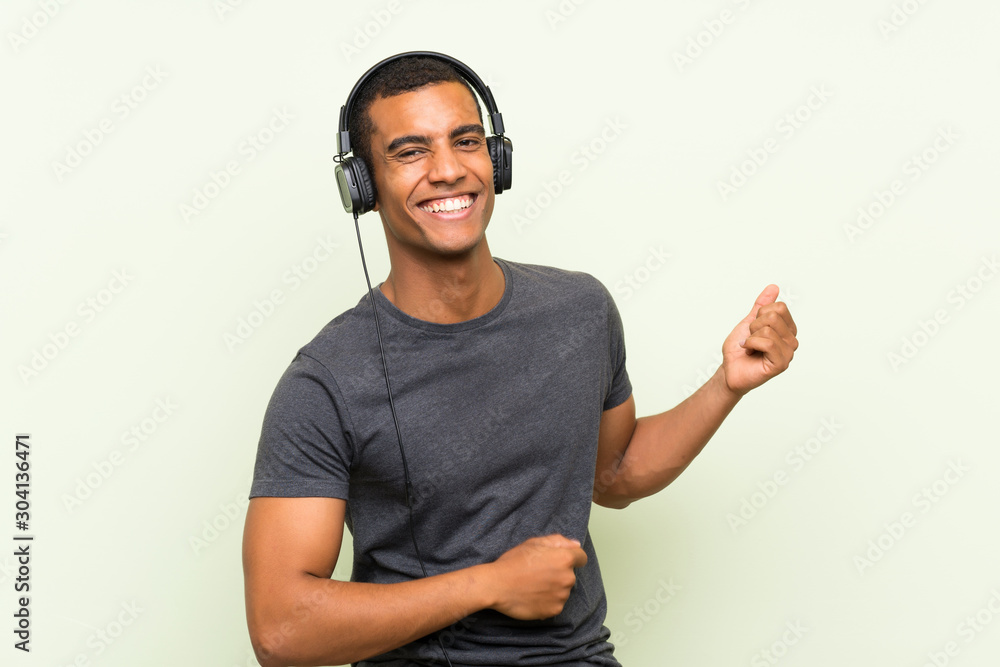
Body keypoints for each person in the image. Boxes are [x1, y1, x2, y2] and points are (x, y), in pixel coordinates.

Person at [242, 53, 798, 667]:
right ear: (364, 187)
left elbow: (613, 473)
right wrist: (490, 584)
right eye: (411, 152)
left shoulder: (580, 310)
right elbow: (281, 630)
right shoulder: (325, 381)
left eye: (466, 141)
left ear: (496, 160)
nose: (448, 170)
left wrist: (727, 384)